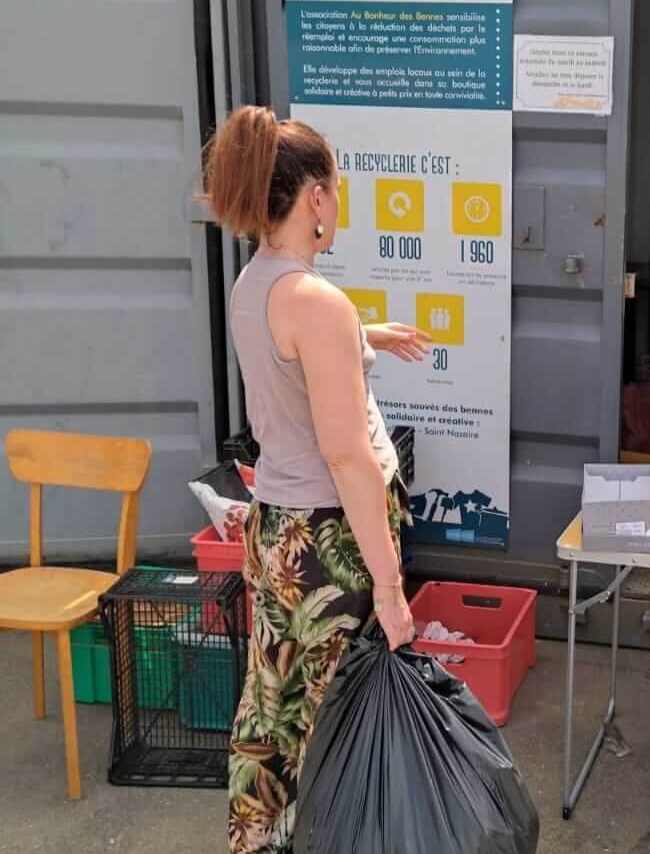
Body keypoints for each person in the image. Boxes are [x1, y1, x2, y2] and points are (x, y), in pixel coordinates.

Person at [205, 106, 432, 854]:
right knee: (335, 736)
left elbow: (288, 354)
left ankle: (255, 842)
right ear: (313, 198)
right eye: (334, 188)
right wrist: (393, 592)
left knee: (273, 710)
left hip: (275, 535)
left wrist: (367, 337)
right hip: (330, 547)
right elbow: (348, 457)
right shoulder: (318, 302)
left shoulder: (253, 286)